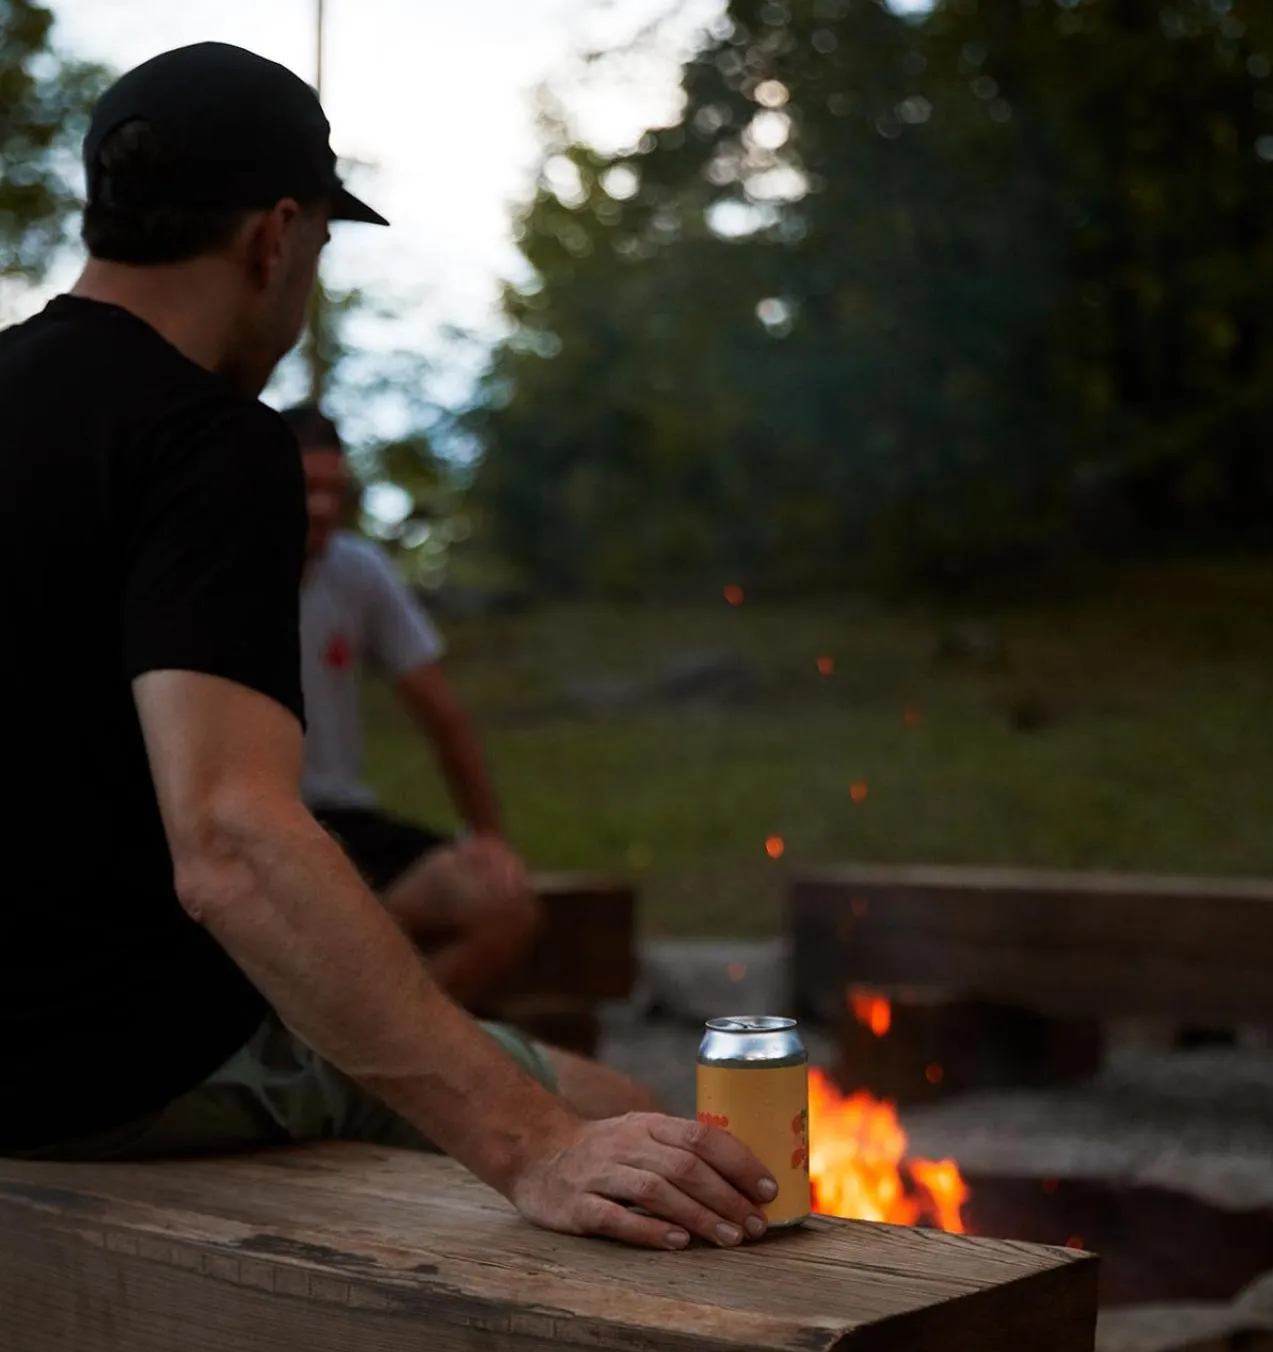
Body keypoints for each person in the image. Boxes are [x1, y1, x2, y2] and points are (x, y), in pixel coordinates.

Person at [0, 42, 778, 1256]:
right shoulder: (210, 441)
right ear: (276, 236)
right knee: (629, 1125)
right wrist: (532, 1142)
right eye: (319, 245)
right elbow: (234, 843)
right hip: (102, 1082)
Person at [279, 404, 538, 1007]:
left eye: (335, 490)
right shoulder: (213, 573)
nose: (323, 506)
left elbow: (440, 710)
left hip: (340, 819)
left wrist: (488, 836)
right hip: (259, 822)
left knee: (503, 905)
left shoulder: (356, 571)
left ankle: (367, 1046)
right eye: (307, 487)